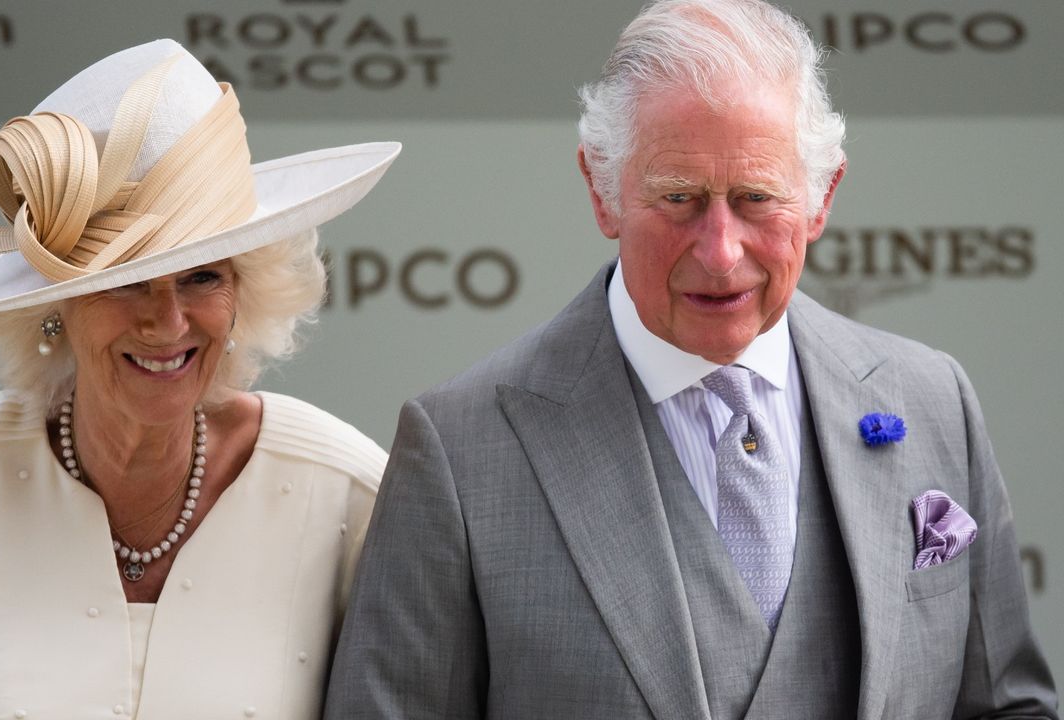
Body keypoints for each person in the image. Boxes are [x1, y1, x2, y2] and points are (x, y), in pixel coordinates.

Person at [324, 0, 1057, 718]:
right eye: (678, 198)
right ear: (602, 191)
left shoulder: (931, 401)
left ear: (820, 197)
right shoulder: (461, 450)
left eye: (756, 198)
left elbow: (1006, 705)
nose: (720, 251)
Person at [0, 40, 398, 719]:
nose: (168, 321)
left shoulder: (346, 491)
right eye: (123, 285)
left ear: (247, 292)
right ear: (52, 307)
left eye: (202, 276)